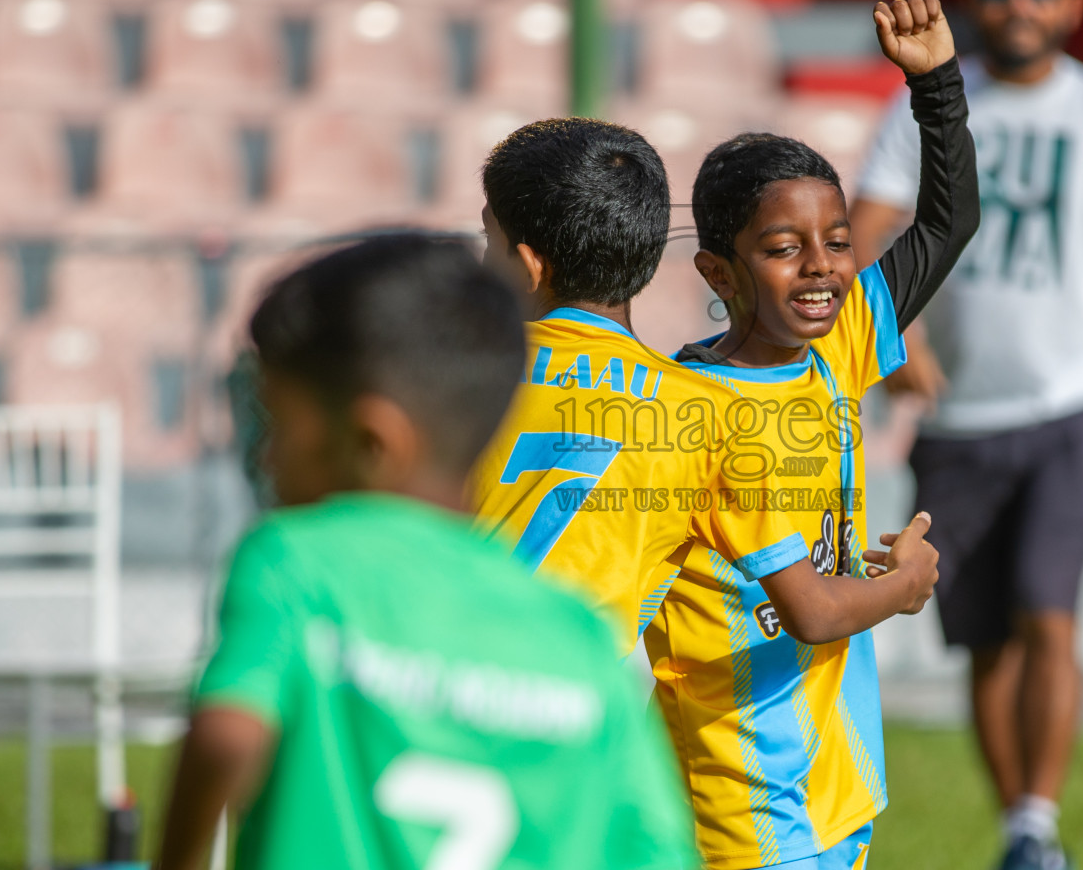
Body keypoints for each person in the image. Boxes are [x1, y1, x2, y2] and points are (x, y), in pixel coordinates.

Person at [155, 234, 698, 870]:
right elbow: (653, 848)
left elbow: (227, 735)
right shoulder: (577, 636)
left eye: (278, 423)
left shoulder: (296, 562)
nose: (267, 457)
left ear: (371, 439)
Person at [849, 0, 1083, 870]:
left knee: (1050, 609)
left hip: (1075, 408)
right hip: (959, 420)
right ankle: (1020, 831)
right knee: (988, 643)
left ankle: (1038, 822)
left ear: (1077, 1)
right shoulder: (925, 111)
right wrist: (896, 331)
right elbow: (865, 226)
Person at [661, 0, 977, 870]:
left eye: (836, 241)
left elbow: (948, 225)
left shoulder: (835, 346)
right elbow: (810, 613)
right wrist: (907, 582)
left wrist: (936, 88)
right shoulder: (692, 408)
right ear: (717, 271)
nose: (822, 268)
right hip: (742, 785)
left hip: (833, 767)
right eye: (782, 247)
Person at [468, 117, 939, 649]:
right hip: (573, 710)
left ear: (529, 266)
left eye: (491, 238)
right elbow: (813, 611)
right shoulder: (703, 412)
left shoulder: (451, 372)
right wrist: (906, 583)